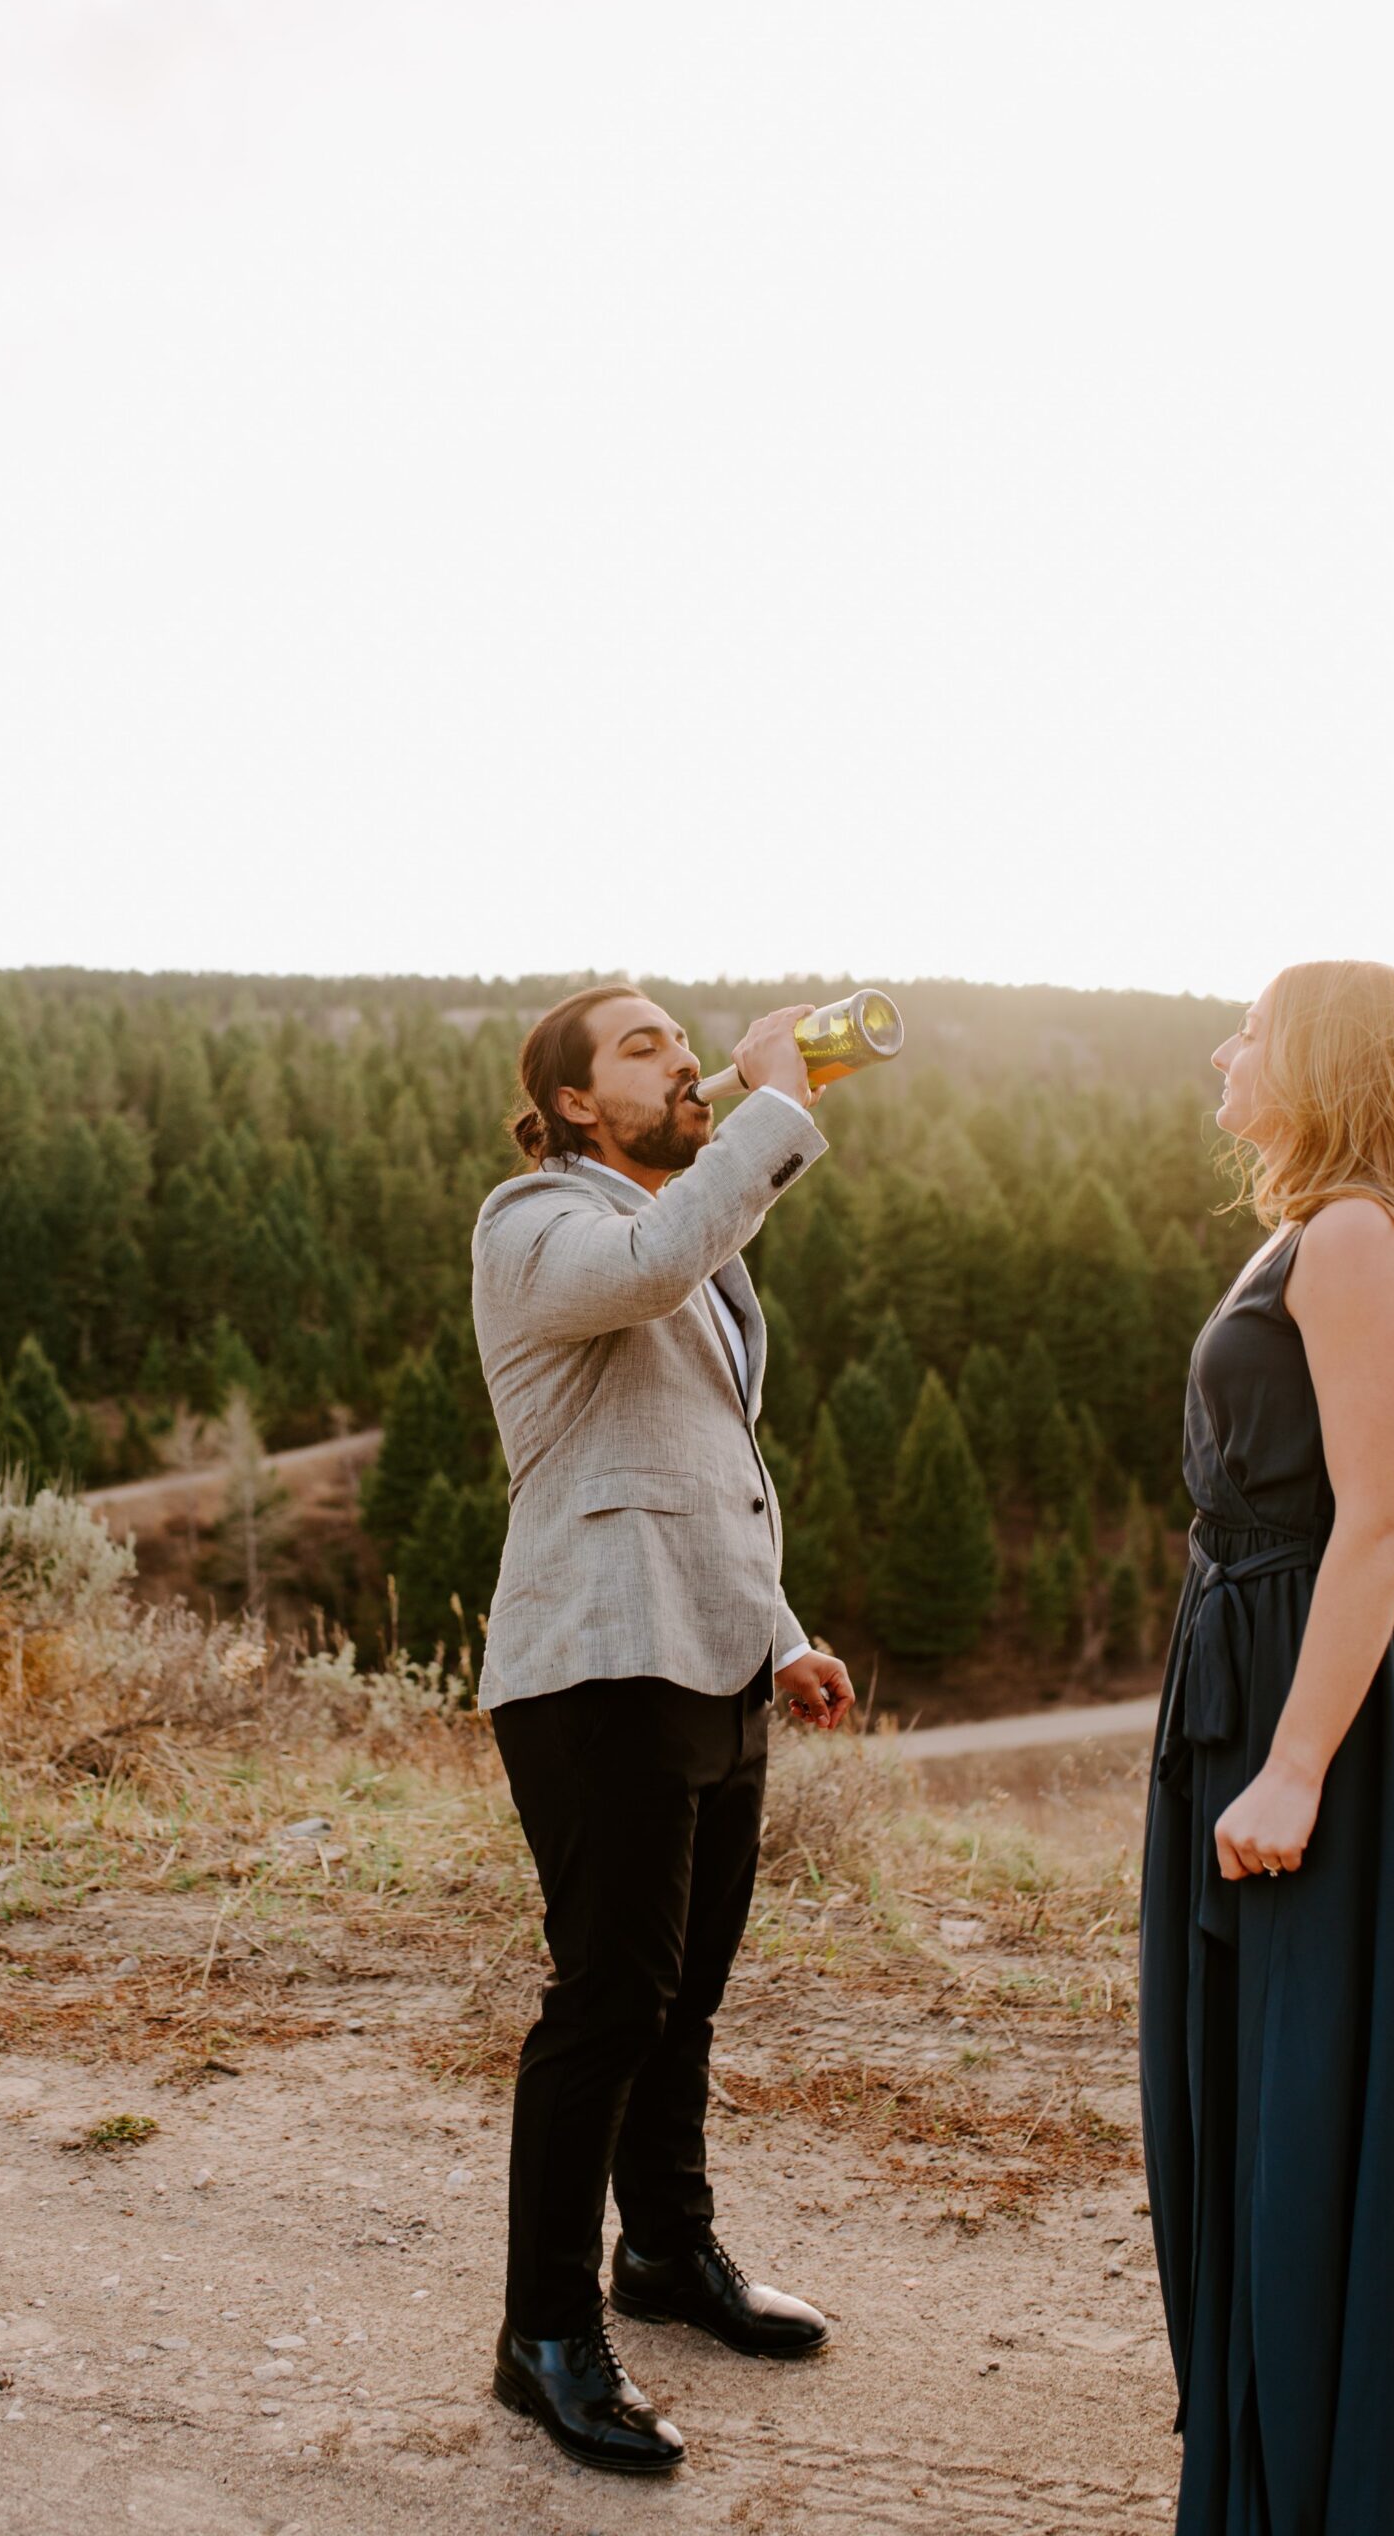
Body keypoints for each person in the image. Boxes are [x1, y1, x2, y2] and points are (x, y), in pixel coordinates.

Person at [470, 984, 854, 2476]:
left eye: (681, 1038)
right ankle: (544, 2334)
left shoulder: (681, 1235)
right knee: (609, 2001)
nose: (680, 1055)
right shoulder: (536, 1226)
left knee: (685, 1993)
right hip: (592, 1666)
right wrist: (776, 1105)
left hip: (709, 1660)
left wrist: (782, 1633)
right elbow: (649, 1261)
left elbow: (699, 1457)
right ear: (571, 1103)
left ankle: (666, 2256)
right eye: (641, 1046)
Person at [1140, 959, 1394, 2534]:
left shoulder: (1351, 1237)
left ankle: (1351, 2483)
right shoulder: (1317, 1224)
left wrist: (1291, 1763)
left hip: (1308, 1702)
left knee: (1311, 2090)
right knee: (1268, 2079)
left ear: (1324, 1062)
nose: (1225, 1048)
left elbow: (1379, 1525)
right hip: (1253, 1671)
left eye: (1254, 1030)